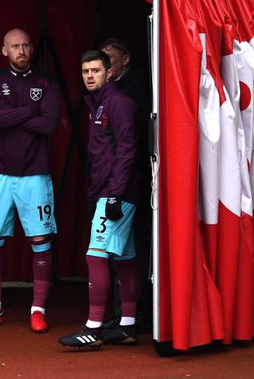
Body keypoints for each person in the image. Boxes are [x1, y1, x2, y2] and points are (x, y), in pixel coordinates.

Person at [0, 28, 60, 333]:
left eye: (26, 45)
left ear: (32, 48)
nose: (21, 50)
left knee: (40, 239)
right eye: (15, 46)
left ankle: (38, 309)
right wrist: (30, 110)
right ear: (4, 50)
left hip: (35, 174)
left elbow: (48, 124)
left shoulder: (46, 81)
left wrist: (11, 115)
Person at [59, 50, 139, 349]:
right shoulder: (97, 104)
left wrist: (115, 193)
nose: (89, 76)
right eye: (85, 71)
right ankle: (128, 325)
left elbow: (127, 149)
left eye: (95, 70)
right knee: (126, 258)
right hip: (111, 191)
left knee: (96, 255)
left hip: (117, 193)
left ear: (109, 72)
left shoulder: (117, 103)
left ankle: (93, 328)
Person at [100, 38, 153, 331]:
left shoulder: (131, 95)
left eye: (110, 57)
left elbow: (128, 145)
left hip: (131, 182)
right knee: (117, 250)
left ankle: (136, 314)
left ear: (126, 60)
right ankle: (124, 315)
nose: (104, 65)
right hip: (111, 181)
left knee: (131, 249)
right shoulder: (103, 92)